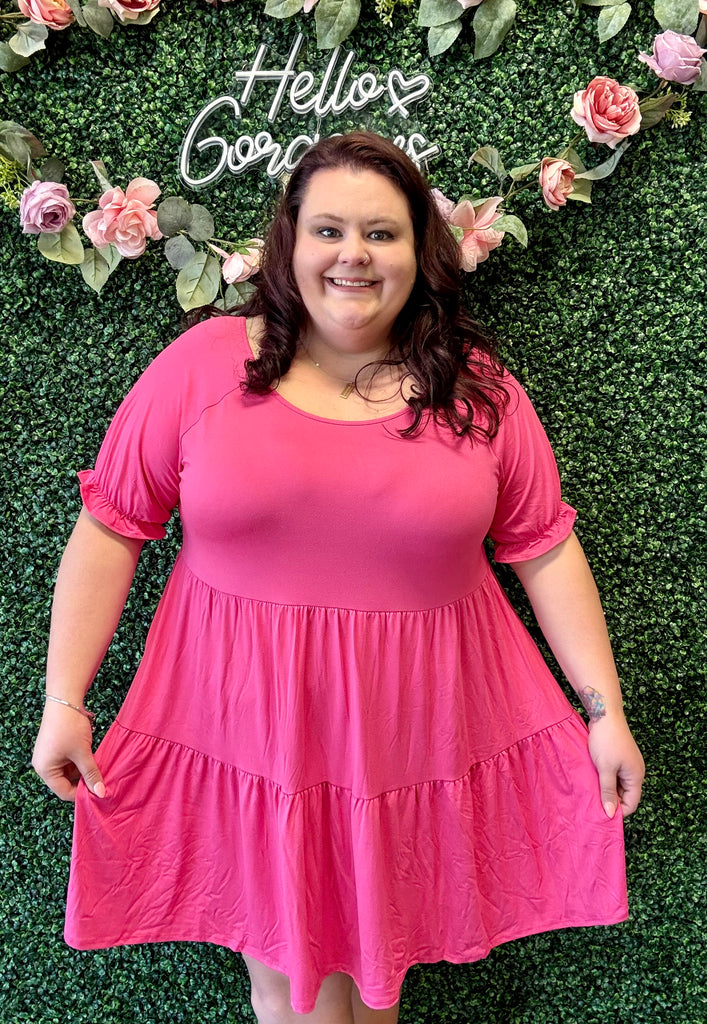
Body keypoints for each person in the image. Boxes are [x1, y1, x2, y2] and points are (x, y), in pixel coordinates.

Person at [32, 131, 644, 1024]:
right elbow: (109, 530)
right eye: (327, 230)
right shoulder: (202, 366)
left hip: (413, 732)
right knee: (292, 989)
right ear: (289, 243)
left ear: (418, 253)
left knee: (374, 978)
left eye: (380, 233)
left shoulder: (477, 390)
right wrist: (64, 700)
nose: (352, 254)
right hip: (246, 730)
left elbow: (543, 547)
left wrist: (604, 712)